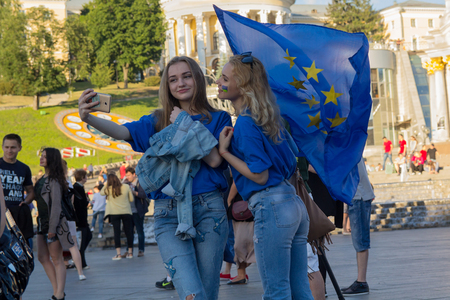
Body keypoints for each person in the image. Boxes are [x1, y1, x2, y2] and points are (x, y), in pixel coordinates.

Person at [78, 56, 231, 300]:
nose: (180, 83)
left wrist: (183, 123)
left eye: (186, 76)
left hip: (208, 209)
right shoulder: (158, 119)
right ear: (167, 85)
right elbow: (124, 131)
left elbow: (213, 160)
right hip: (168, 213)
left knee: (208, 292)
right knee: (192, 293)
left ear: (198, 79)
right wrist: (88, 118)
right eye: (173, 79)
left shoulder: (218, 118)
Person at [217, 53, 313, 299]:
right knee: (299, 289)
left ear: (243, 85)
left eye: (225, 78)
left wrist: (225, 152)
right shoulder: (269, 118)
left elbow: (259, 176)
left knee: (276, 291)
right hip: (293, 204)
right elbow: (293, 161)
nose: (219, 81)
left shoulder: (247, 123)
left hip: (271, 205)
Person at [35, 148, 74, 300]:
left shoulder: (54, 180)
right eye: (41, 156)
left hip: (54, 225)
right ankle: (57, 289)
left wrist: (52, 228)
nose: (41, 159)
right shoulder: (41, 179)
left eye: (45, 157)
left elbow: (56, 205)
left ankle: (59, 293)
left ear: (52, 159)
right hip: (41, 223)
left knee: (57, 259)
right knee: (42, 257)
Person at [340, 158, 375, 296]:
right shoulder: (352, 144)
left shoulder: (350, 146)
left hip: (358, 196)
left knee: (360, 241)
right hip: (357, 195)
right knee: (359, 241)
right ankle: (360, 281)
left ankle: (362, 281)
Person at [0, 134, 35, 243]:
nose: (9, 150)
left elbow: (31, 191)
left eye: (13, 147)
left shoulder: (24, 168)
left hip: (18, 214)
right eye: (6, 147)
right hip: (1, 213)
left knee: (24, 246)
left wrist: (26, 202)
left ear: (19, 148)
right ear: (2, 147)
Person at [61, 160, 86, 281]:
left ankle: (60, 271)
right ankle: (80, 272)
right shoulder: (68, 182)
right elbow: (72, 201)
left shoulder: (52, 181)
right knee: (74, 245)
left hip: (58, 217)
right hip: (69, 216)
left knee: (56, 247)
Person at [101, 174, 134, 260]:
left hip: (114, 213)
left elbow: (101, 193)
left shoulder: (109, 189)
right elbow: (131, 199)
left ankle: (118, 254)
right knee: (128, 232)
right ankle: (130, 253)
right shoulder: (126, 186)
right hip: (126, 211)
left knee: (117, 233)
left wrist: (106, 184)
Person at [124, 166, 149, 257]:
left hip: (138, 211)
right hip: (128, 211)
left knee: (139, 231)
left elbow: (143, 194)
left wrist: (132, 192)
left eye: (129, 175)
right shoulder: (125, 183)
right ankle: (128, 250)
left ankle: (141, 250)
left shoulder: (140, 183)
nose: (128, 177)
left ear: (134, 174)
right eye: (126, 175)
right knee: (129, 232)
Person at [73, 169, 92, 270]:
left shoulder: (79, 187)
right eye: (85, 176)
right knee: (83, 240)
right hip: (80, 219)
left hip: (82, 219)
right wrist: (86, 201)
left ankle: (78, 258)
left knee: (88, 236)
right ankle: (81, 262)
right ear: (82, 177)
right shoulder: (77, 188)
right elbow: (80, 204)